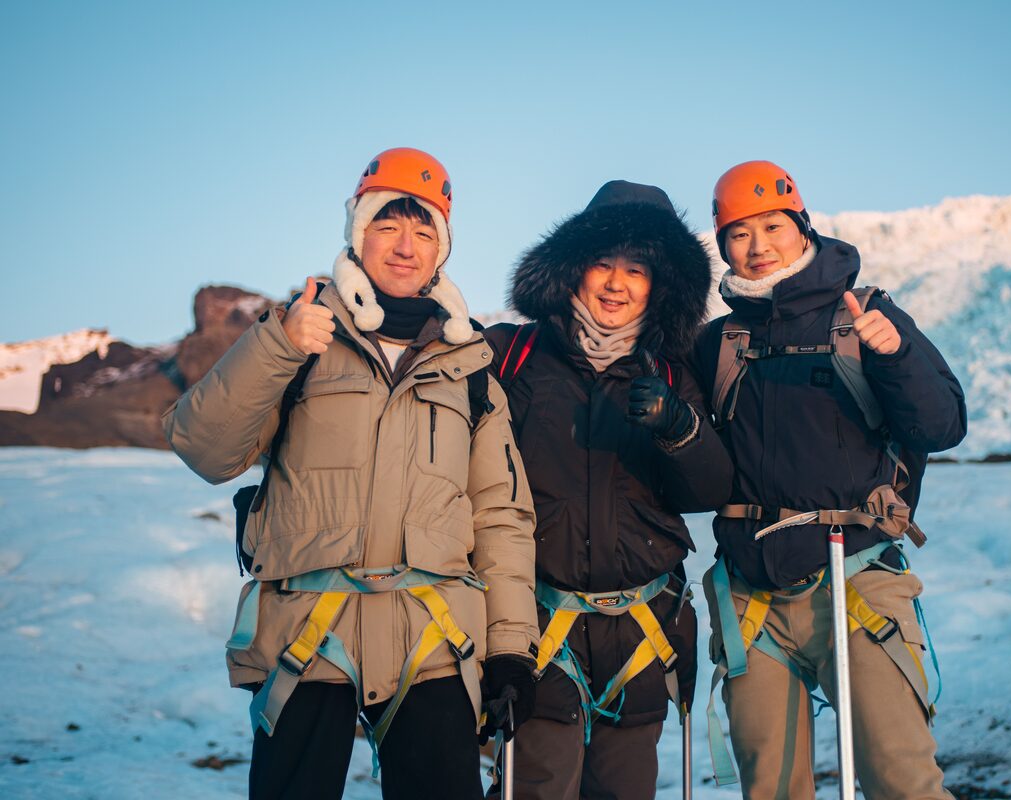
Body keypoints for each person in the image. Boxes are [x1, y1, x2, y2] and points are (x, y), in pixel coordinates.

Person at [164, 147, 539, 800]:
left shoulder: (470, 364)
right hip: (305, 637)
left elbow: (501, 515)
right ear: (357, 230)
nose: (406, 245)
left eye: (425, 230)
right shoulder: (298, 336)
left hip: (433, 639)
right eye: (388, 225)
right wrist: (277, 345)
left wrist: (510, 649)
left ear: (442, 248)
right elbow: (205, 449)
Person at [694, 160, 968, 799]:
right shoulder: (718, 342)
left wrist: (894, 355)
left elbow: (942, 425)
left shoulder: (866, 315)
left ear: (802, 224)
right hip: (750, 598)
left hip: (856, 583)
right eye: (739, 233)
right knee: (771, 790)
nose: (758, 247)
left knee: (901, 781)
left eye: (772, 226)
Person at [484, 180, 733, 799]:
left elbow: (709, 488)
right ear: (574, 268)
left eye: (637, 269)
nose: (617, 283)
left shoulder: (675, 372)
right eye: (603, 263)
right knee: (537, 787)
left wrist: (680, 427)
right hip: (539, 628)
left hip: (642, 634)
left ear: (662, 283)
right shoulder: (512, 358)